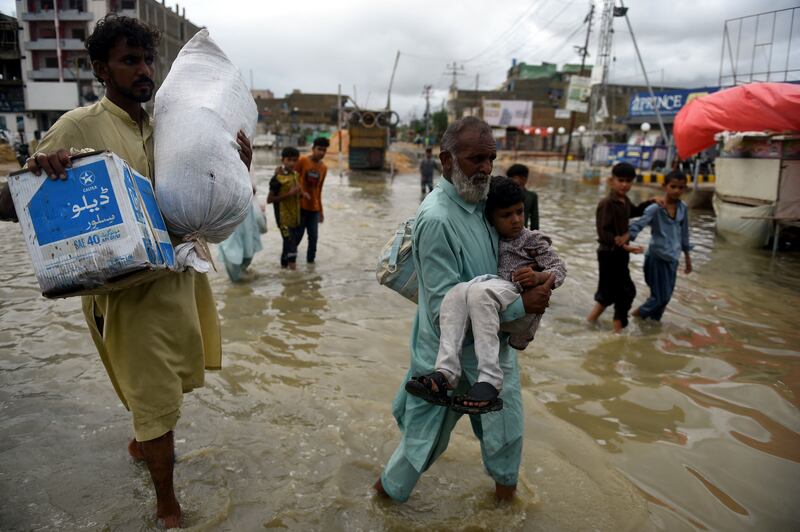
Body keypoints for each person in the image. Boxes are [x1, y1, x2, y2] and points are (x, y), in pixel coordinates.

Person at [2, 15, 251, 528]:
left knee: (168, 387)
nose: (144, 71)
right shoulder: (78, 125)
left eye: (147, 60)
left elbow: (196, 190)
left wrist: (234, 166)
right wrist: (40, 170)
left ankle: (140, 446)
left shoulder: (167, 124)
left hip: (177, 280)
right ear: (101, 68)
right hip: (124, 296)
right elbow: (11, 201)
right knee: (156, 398)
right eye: (129, 61)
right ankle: (168, 508)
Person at [374, 117, 553, 503]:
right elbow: (443, 312)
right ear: (447, 161)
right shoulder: (437, 219)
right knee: (420, 447)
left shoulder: (483, 203)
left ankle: (506, 512)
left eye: (492, 158)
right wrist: (523, 305)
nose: (487, 168)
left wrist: (534, 274)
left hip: (493, 350)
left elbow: (512, 252)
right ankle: (381, 504)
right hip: (447, 356)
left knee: (508, 436)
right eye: (476, 159)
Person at [406, 176, 565, 414]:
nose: (516, 220)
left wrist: (538, 277)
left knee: (479, 293)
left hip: (517, 294)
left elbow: (559, 269)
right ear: (490, 218)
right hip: (498, 292)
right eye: (506, 215)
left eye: (520, 212)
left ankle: (490, 379)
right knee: (456, 293)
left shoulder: (531, 239)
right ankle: (445, 373)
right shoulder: (486, 232)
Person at [586, 162, 655, 333]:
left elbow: (635, 212)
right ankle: (617, 333)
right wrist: (625, 246)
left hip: (619, 254)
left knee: (608, 294)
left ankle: (590, 323)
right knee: (625, 292)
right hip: (608, 254)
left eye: (628, 181)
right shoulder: (607, 203)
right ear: (611, 180)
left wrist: (650, 202)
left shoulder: (624, 201)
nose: (625, 184)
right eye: (621, 180)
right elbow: (604, 234)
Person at [627, 170, 693, 320]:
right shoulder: (655, 208)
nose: (677, 190)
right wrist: (624, 242)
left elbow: (684, 233)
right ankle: (632, 318)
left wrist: (687, 258)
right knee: (659, 298)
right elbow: (638, 225)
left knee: (665, 299)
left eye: (681, 187)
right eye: (673, 186)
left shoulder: (683, 207)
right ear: (665, 186)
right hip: (657, 258)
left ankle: (652, 331)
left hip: (673, 258)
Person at [218, 184, 267, 282]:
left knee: (236, 275)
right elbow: (260, 221)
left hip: (232, 241)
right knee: (241, 267)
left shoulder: (225, 199)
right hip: (241, 241)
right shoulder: (248, 199)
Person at [267, 146, 305, 269]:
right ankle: (295, 278)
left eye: (295, 160)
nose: (292, 163)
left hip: (295, 217)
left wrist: (302, 194)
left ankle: (284, 270)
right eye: (289, 160)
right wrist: (290, 194)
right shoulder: (276, 179)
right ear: (283, 160)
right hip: (283, 220)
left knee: (288, 244)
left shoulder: (295, 175)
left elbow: (297, 193)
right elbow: (270, 200)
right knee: (291, 244)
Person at [294, 137, 329, 264]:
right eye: (319, 149)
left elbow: (319, 190)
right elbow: (293, 178)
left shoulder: (324, 168)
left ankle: (310, 265)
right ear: (313, 149)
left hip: (314, 209)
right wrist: (302, 192)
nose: (321, 153)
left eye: (324, 150)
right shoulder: (303, 160)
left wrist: (321, 211)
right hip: (301, 206)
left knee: (313, 238)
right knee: (298, 236)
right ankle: (289, 259)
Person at [506, 163, 539, 230]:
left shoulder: (532, 196)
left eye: (513, 178)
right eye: (509, 178)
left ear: (524, 179)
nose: (509, 180)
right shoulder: (503, 194)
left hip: (521, 232)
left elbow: (534, 222)